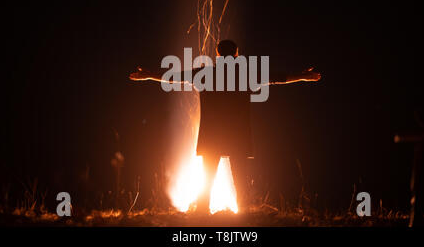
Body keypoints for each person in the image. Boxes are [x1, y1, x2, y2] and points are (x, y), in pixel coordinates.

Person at [129, 40, 321, 213]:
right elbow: (278, 77)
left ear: (218, 54)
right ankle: (243, 211)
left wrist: (149, 75)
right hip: (238, 135)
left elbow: (174, 77)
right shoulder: (247, 74)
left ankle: (202, 210)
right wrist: (302, 77)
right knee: (239, 177)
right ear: (236, 54)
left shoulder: (204, 73)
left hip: (211, 135)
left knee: (209, 174)